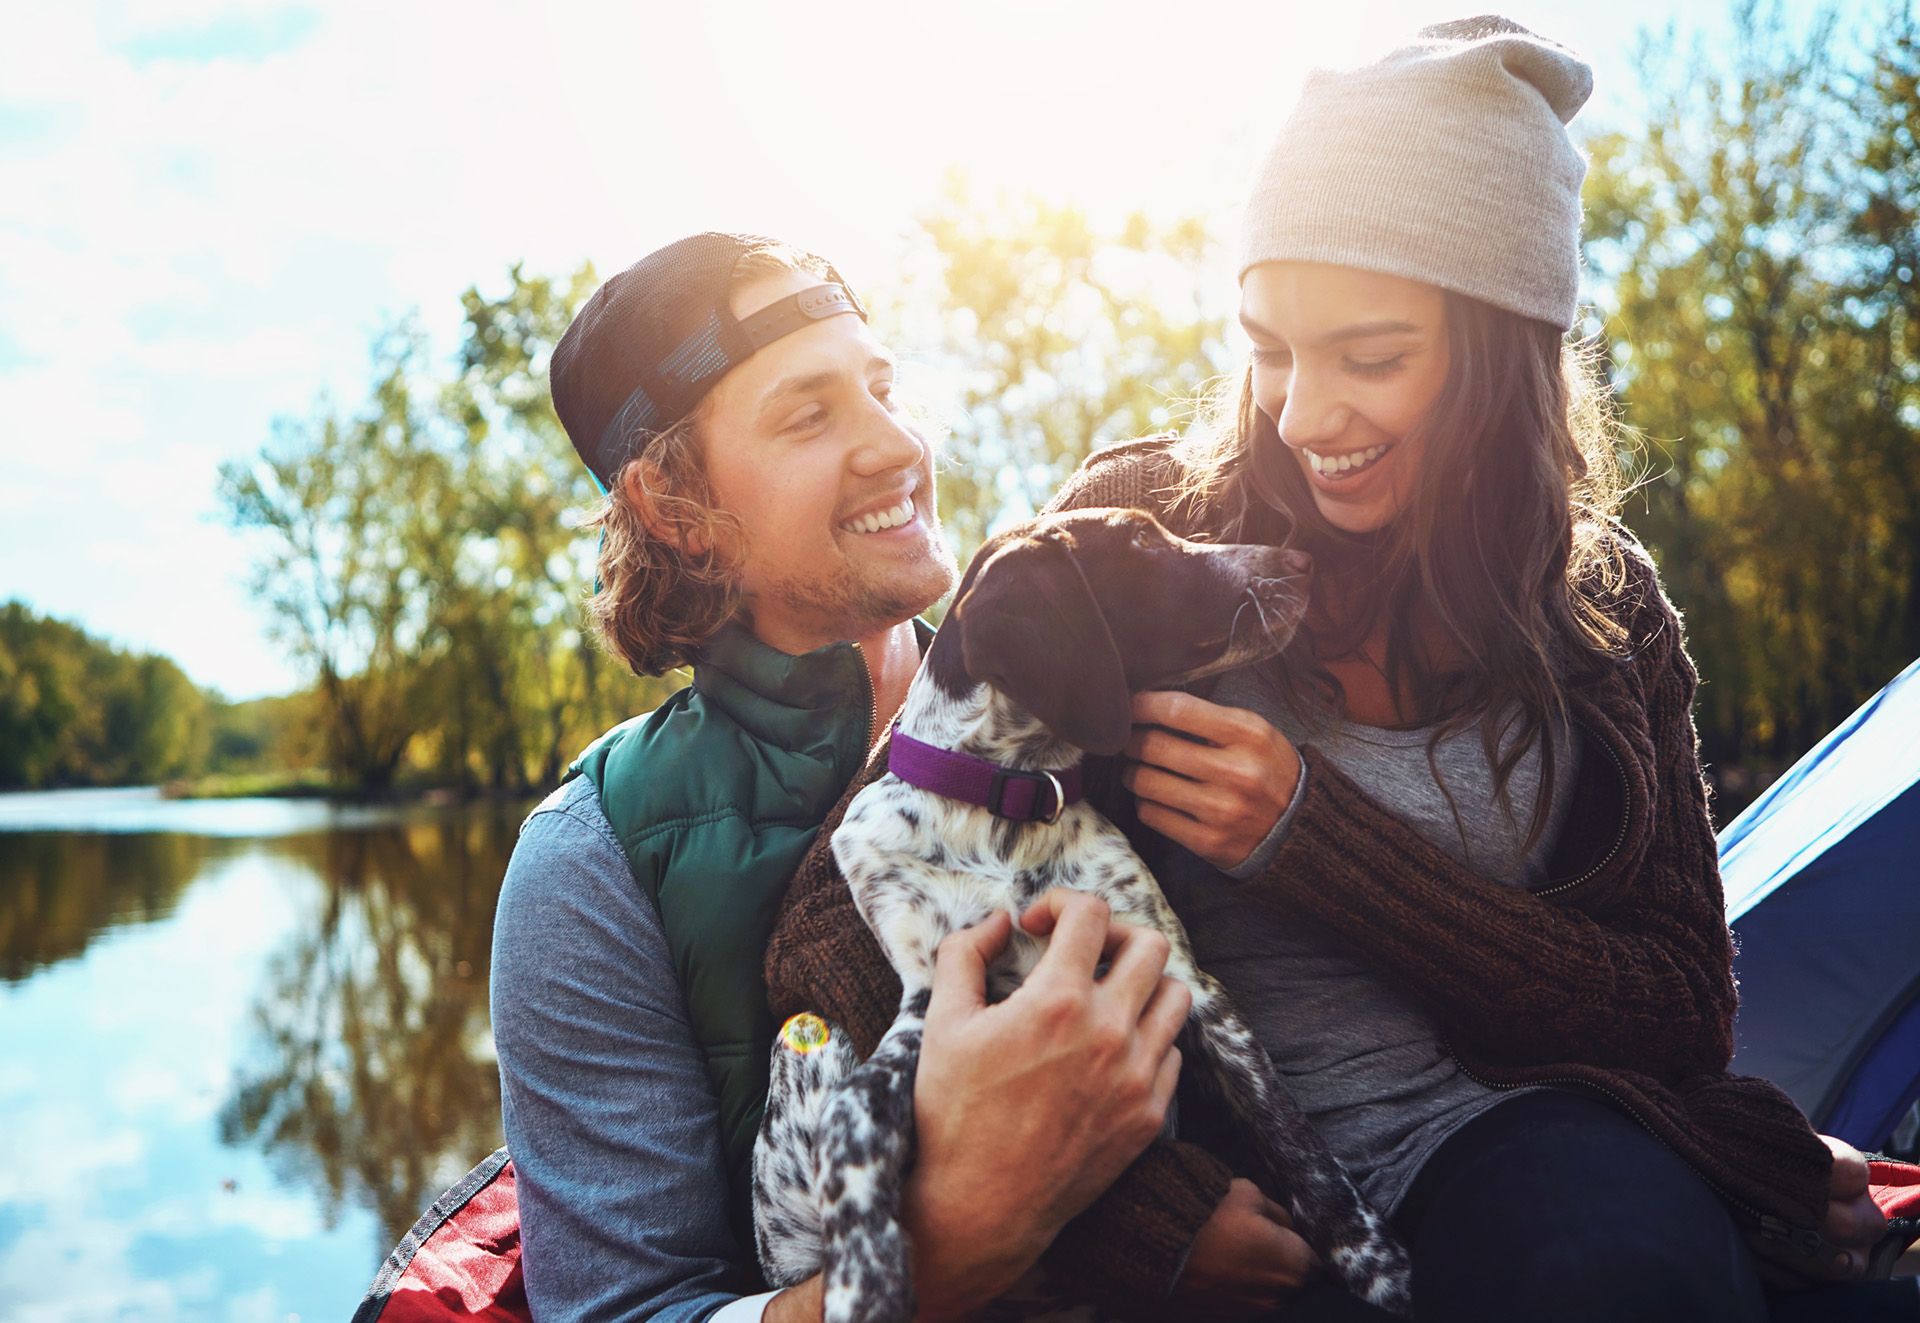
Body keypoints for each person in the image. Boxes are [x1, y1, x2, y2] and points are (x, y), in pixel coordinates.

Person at [763, 18, 1916, 1322]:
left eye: (1371, 355)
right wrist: (1139, 1225)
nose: (1304, 413)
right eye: (1268, 346)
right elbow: (834, 920)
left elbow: (1678, 1005)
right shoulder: (1133, 538)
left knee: (1619, 1275)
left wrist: (1319, 840)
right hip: (1257, 1201)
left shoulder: (1605, 615)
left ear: (1501, 353)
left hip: (1538, 1157)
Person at [488, 233, 1202, 1323]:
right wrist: (957, 1233)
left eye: (881, 386)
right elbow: (625, 1309)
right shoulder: (591, 864)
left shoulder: (1090, 681)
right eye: (808, 414)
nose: (897, 445)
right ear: (677, 506)